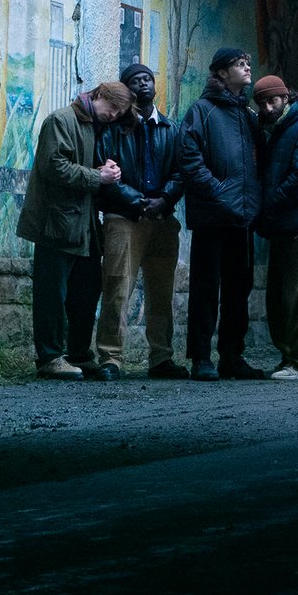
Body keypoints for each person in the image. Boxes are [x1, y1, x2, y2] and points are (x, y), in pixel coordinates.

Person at [16, 80, 133, 379]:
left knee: (86, 291)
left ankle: (79, 354)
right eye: (112, 108)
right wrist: (98, 177)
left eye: (119, 112)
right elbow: (53, 166)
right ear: (97, 96)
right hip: (56, 223)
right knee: (52, 294)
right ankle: (50, 358)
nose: (114, 115)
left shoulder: (94, 126)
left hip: (85, 227)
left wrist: (110, 171)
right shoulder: (61, 120)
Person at [93, 63, 189, 379]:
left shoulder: (171, 129)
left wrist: (164, 199)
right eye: (135, 81)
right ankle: (110, 357)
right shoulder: (113, 130)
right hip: (124, 219)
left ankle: (161, 359)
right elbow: (106, 173)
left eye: (148, 78)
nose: (143, 84)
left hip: (162, 220)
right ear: (127, 90)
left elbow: (181, 171)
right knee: (118, 287)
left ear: (154, 85)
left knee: (162, 292)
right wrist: (138, 202)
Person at [177, 47, 267, 381]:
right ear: (221, 73)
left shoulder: (247, 116)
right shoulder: (201, 111)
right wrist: (216, 190)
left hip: (242, 218)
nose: (246, 67)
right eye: (239, 64)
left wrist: (254, 199)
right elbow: (188, 156)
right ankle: (200, 358)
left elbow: (262, 159)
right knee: (205, 288)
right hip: (212, 217)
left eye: (248, 62)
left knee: (238, 289)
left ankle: (232, 356)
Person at [253, 74, 298, 380]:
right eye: (263, 103)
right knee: (282, 296)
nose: (268, 107)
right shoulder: (284, 128)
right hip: (286, 223)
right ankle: (290, 359)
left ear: (286, 98)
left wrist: (272, 203)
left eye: (273, 100)